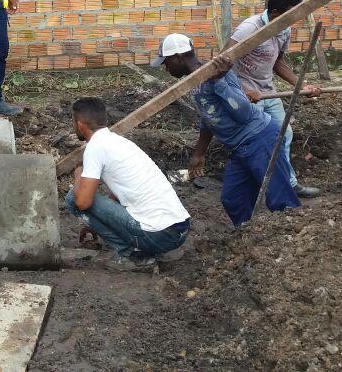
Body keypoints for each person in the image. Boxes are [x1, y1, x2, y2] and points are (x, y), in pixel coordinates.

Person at [152, 34, 300, 227]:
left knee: (280, 199)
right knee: (234, 199)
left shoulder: (217, 72)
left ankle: (293, 238)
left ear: (178, 57)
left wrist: (219, 81)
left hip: (260, 139)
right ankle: (249, 238)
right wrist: (200, 153)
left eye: (166, 62)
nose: (165, 67)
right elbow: (209, 117)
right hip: (239, 148)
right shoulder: (195, 82)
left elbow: (244, 112)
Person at [65, 98, 191, 272]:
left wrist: (78, 176)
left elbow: (82, 202)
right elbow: (119, 193)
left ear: (79, 125)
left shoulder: (95, 147)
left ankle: (133, 256)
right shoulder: (118, 142)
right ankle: (142, 249)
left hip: (159, 235)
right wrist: (96, 221)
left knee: (72, 197)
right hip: (178, 231)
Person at [228, 0, 321, 198]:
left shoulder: (283, 29)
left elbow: (278, 62)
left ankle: (288, 183)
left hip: (267, 91)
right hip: (246, 93)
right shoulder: (249, 29)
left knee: (284, 134)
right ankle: (254, 188)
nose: (294, 20)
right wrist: (242, 91)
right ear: (275, 13)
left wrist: (301, 85)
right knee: (257, 139)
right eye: (290, 15)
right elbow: (223, 63)